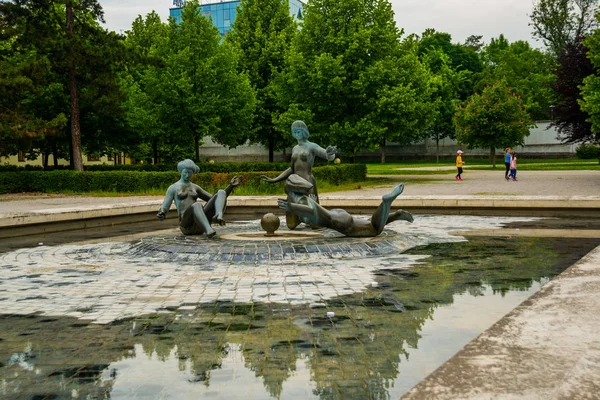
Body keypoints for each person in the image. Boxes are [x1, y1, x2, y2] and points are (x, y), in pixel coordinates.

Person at [261, 120, 337, 229]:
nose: (296, 134)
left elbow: (326, 154)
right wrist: (275, 179)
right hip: (295, 184)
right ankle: (297, 218)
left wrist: (330, 154)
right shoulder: (295, 148)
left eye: (299, 131)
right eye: (294, 131)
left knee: (315, 223)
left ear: (304, 131)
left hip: (308, 184)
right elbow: (292, 169)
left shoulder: (312, 146)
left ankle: (312, 219)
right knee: (291, 224)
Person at [277, 183, 413, 237]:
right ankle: (395, 215)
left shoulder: (299, 202)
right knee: (367, 224)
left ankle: (386, 202)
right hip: (337, 214)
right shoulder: (304, 198)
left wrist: (291, 207)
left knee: (374, 230)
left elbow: (310, 212)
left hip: (337, 221)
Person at [157, 159, 242, 237]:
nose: (187, 175)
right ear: (181, 171)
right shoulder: (173, 188)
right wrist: (162, 213)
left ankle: (218, 216)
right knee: (197, 205)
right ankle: (208, 230)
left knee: (221, 192)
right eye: (185, 172)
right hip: (187, 226)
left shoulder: (195, 187)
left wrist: (230, 187)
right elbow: (165, 206)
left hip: (200, 225)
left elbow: (216, 199)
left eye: (190, 173)